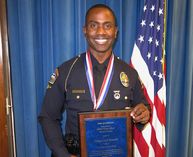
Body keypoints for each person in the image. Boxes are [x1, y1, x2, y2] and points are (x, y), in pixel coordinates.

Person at [38, 4, 150, 157]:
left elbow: (142, 109)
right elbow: (48, 116)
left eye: (107, 26)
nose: (101, 32)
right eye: (93, 25)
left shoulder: (129, 74)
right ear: (85, 30)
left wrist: (143, 114)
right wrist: (62, 154)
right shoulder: (66, 71)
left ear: (115, 32)